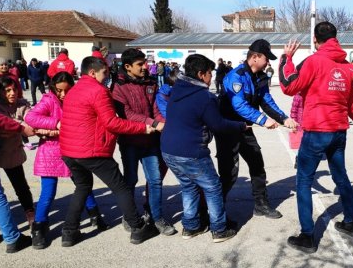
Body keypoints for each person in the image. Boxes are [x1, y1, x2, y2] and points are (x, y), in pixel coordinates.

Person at [280, 22, 353, 252]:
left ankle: (307, 235)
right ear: (335, 38)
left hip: (317, 131)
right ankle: (350, 222)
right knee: (341, 178)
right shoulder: (349, 68)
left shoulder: (314, 61)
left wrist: (286, 59)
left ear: (315, 39)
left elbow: (288, 86)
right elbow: (352, 104)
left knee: (303, 180)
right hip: (339, 131)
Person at [59, 56, 160, 246]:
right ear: (92, 72)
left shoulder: (74, 90)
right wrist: (142, 128)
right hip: (91, 151)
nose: (107, 76)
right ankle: (137, 227)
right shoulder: (99, 91)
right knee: (121, 187)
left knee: (82, 187)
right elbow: (111, 123)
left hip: (69, 151)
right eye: (104, 73)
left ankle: (69, 232)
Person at [161, 54, 244, 242]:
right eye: (209, 74)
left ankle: (191, 226)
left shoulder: (177, 90)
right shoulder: (204, 97)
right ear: (200, 74)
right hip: (191, 151)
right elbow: (219, 125)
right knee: (213, 187)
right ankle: (219, 229)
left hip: (168, 150)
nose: (211, 78)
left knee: (189, 186)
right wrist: (239, 125)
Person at [24, 72, 109, 249]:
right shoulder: (49, 100)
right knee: (48, 192)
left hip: (72, 149)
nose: (62, 94)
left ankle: (95, 217)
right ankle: (38, 229)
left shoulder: (78, 98)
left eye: (66, 90)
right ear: (53, 88)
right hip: (51, 152)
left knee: (83, 185)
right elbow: (30, 117)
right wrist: (56, 124)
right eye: (59, 90)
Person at [216, 39, 298, 219]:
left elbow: (267, 101)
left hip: (245, 129)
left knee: (257, 165)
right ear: (254, 57)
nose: (268, 62)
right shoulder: (235, 77)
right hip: (228, 130)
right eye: (266, 58)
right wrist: (263, 120)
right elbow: (239, 105)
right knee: (229, 173)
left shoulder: (261, 77)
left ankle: (261, 205)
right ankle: (215, 211)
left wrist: (284, 118)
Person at [111, 49, 175, 236]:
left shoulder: (150, 83)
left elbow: (154, 108)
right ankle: (130, 217)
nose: (145, 67)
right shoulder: (118, 86)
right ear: (128, 67)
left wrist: (163, 123)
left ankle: (157, 217)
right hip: (130, 141)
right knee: (131, 180)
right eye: (140, 64)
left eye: (145, 63)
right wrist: (154, 123)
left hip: (150, 141)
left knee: (155, 180)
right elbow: (127, 114)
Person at [0, 77, 35, 235]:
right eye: (8, 91)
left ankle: (31, 216)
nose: (12, 93)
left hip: (13, 153)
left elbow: (32, 119)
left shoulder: (21, 104)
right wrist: (18, 125)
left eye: (14, 89)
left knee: (20, 185)